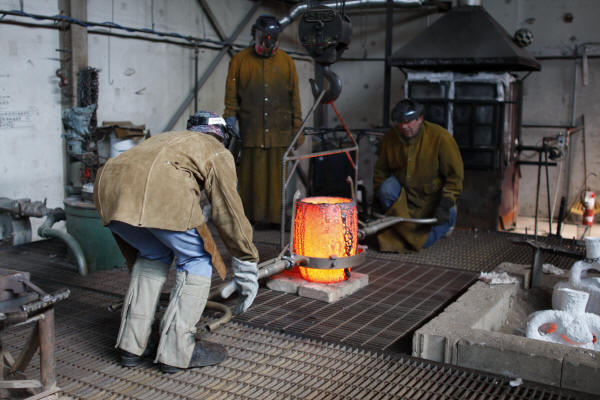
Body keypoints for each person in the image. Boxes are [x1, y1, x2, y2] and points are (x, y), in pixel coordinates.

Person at [93, 111, 260, 373]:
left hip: (109, 193)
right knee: (197, 259)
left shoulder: (168, 138)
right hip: (157, 194)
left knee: (153, 255)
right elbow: (228, 210)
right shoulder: (216, 149)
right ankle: (176, 350)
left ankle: (131, 344)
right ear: (221, 136)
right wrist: (246, 259)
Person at [223, 14, 302, 227]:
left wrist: (298, 129)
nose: (268, 41)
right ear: (255, 35)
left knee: (278, 180)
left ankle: (277, 220)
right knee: (252, 180)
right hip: (252, 132)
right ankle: (252, 220)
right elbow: (231, 99)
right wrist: (229, 128)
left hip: (280, 133)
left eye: (272, 37)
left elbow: (295, 99)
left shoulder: (287, 62)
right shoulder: (239, 61)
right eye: (264, 36)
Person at [373, 100, 464, 252]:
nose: (404, 126)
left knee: (422, 242)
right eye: (400, 123)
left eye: (409, 122)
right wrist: (377, 195)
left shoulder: (440, 137)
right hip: (404, 200)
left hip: (431, 201)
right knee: (386, 188)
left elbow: (455, 176)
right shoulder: (390, 138)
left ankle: (438, 225)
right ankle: (406, 230)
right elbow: (381, 171)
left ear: (420, 119)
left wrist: (446, 203)